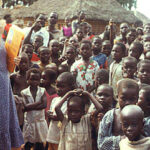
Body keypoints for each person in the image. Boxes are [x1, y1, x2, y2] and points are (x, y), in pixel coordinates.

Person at [0, 19, 24, 149]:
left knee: (3, 117)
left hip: (3, 82)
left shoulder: (6, 40)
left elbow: (9, 67)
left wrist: (15, 61)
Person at [97, 79, 139, 150]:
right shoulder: (110, 116)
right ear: (117, 97)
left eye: (132, 99)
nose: (127, 102)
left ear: (137, 99)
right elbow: (101, 143)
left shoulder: (141, 117)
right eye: (124, 98)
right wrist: (123, 139)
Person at [46, 72, 76, 150]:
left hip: (64, 137)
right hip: (52, 135)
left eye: (62, 87)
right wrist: (49, 114)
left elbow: (67, 118)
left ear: (71, 87)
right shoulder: (55, 100)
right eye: (57, 86)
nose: (58, 89)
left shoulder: (72, 102)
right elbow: (52, 113)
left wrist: (57, 117)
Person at [21, 68, 48, 150]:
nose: (34, 81)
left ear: (40, 80)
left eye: (37, 79)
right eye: (32, 79)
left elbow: (44, 105)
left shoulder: (42, 90)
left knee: (40, 143)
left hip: (40, 121)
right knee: (28, 143)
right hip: (29, 121)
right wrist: (38, 102)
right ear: (27, 79)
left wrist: (31, 106)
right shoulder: (24, 92)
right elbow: (25, 106)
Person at [10, 52, 29, 129]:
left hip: (27, 104)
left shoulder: (30, 76)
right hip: (16, 103)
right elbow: (10, 90)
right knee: (15, 123)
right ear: (17, 63)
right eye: (21, 62)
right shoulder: (13, 76)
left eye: (25, 62)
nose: (23, 64)